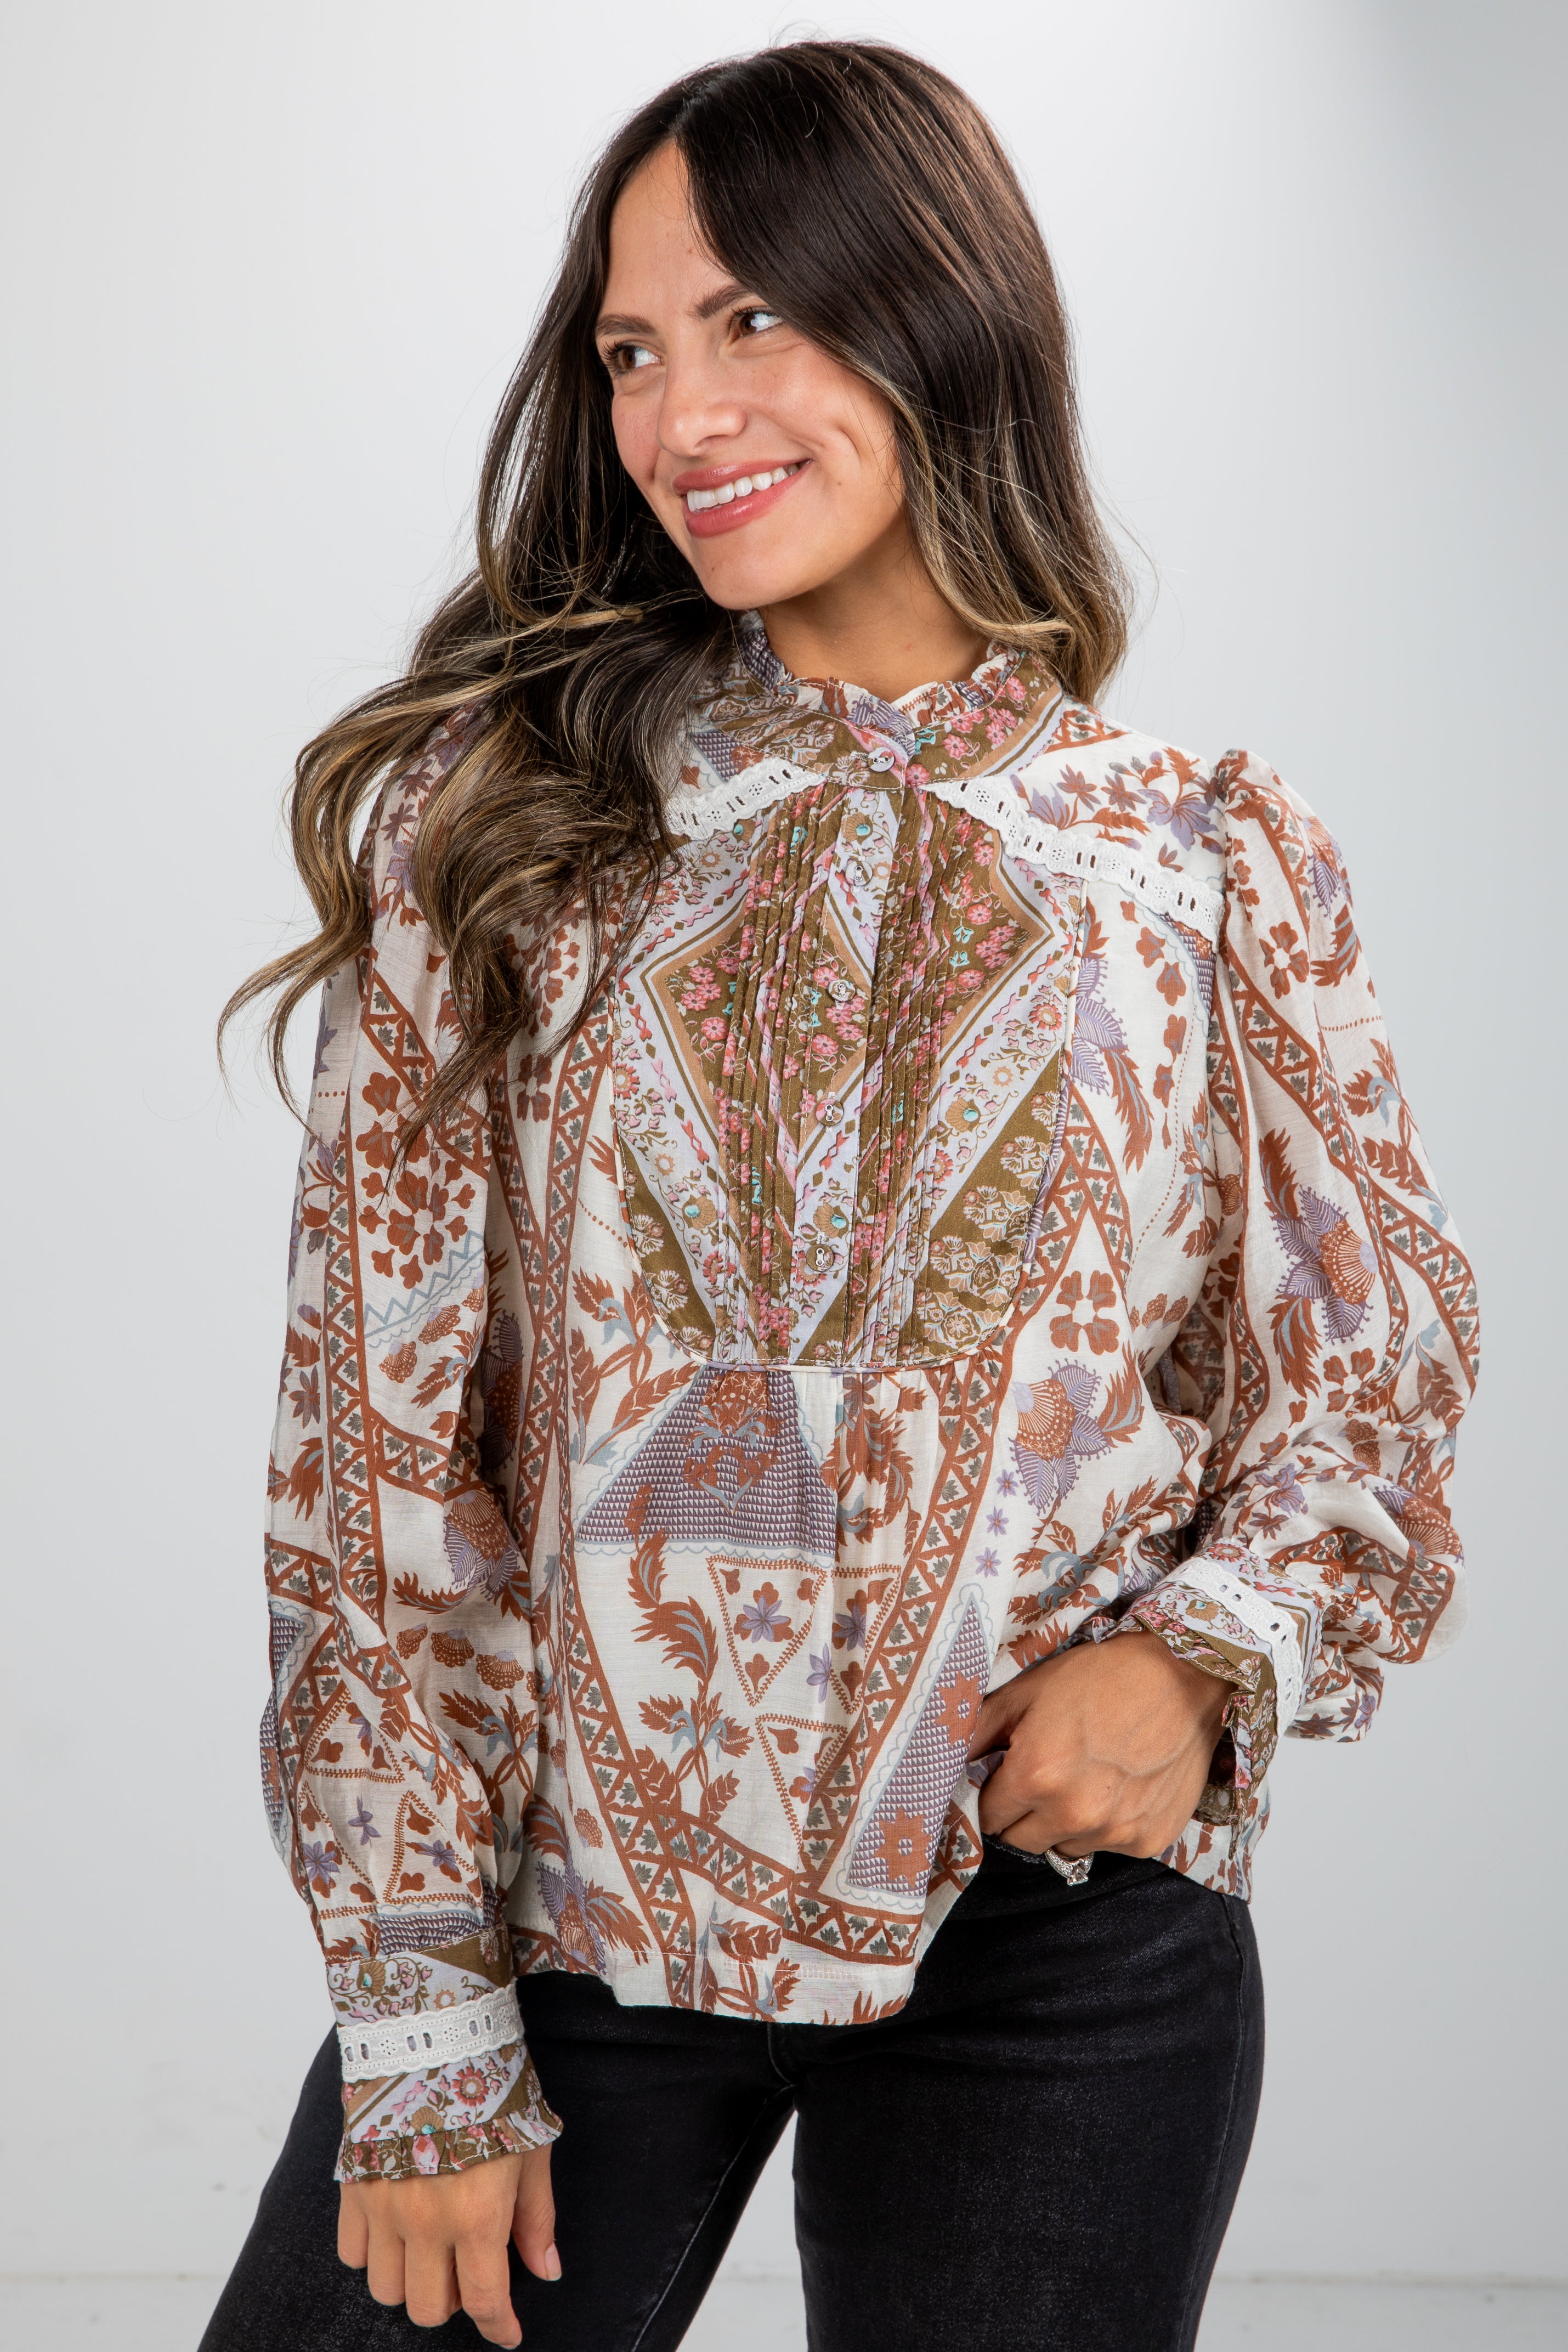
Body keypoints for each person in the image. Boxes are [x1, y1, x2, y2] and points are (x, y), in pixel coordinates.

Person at [203, 39, 1478, 2352]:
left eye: (755, 318)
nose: (684, 413)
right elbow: (374, 1441)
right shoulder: (507, 823)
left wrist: (1202, 1663)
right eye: (629, 348)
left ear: (937, 312)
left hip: (1058, 1939)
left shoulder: (1198, 853)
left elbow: (1365, 1378)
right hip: (573, 1921)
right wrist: (415, 2009)